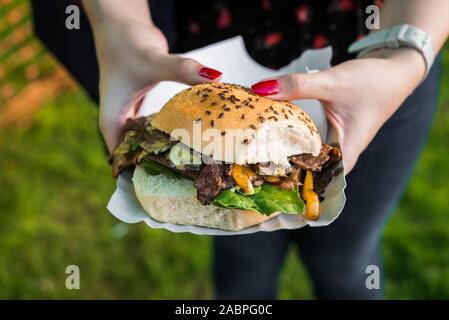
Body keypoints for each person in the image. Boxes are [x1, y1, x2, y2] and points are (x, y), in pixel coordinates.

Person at [31, 0, 449, 299]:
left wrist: (404, 54)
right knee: (243, 263)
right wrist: (120, 27)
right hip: (207, 58)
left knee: (344, 259)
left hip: (375, 65)